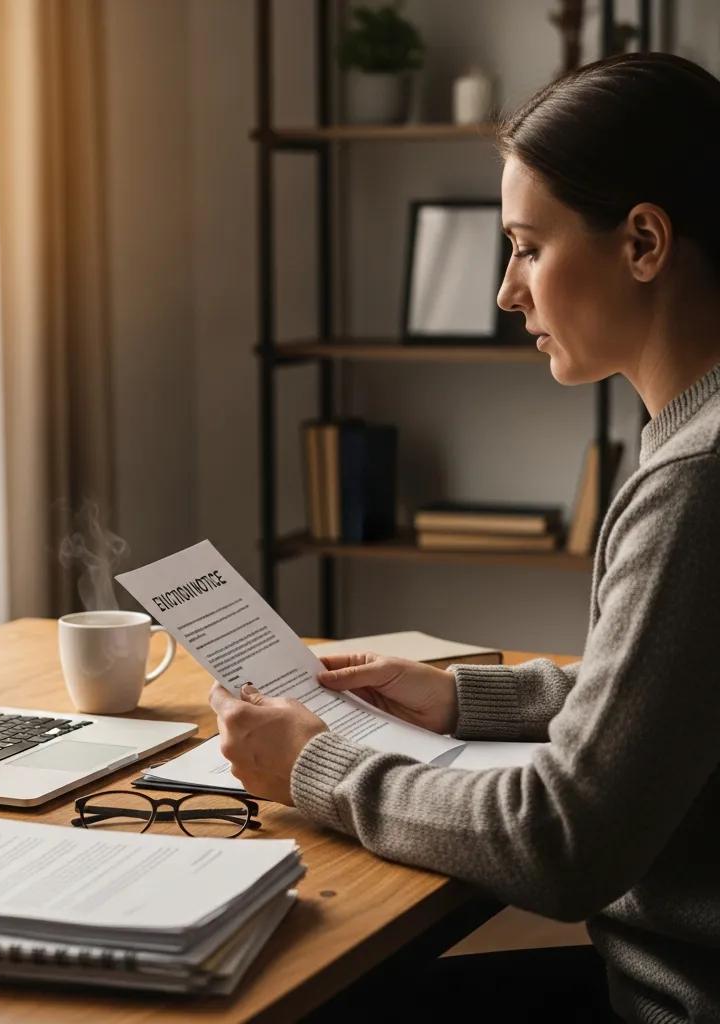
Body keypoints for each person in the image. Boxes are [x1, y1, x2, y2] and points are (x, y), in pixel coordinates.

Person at [210, 52, 720, 1024]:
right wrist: (459, 698)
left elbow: (561, 842)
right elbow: (679, 688)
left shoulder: (698, 477)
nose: (506, 292)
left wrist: (315, 769)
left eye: (527, 247)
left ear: (644, 242)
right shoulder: (693, 440)